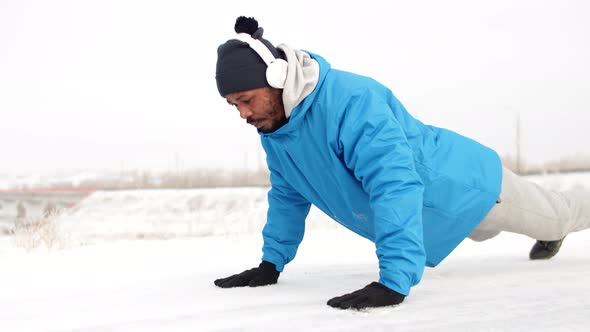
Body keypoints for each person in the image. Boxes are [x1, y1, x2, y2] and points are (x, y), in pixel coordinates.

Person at [213, 16, 590, 310]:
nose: (243, 114)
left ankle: (556, 227)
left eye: (247, 99)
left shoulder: (351, 102)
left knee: (556, 215)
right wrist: (271, 264)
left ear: (277, 77)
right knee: (489, 232)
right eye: (234, 105)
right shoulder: (279, 133)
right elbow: (288, 196)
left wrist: (394, 280)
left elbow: (393, 183)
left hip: (466, 189)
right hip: (431, 219)